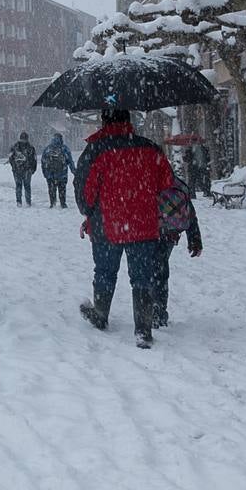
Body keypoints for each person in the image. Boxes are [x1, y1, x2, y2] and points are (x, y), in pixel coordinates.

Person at [75, 109, 174, 349]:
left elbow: (84, 193)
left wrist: (90, 211)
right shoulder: (150, 148)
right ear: (129, 121)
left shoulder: (96, 151)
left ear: (104, 120)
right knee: (142, 277)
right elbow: (167, 184)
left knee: (105, 272)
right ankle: (143, 329)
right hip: (144, 225)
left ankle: (100, 314)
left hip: (106, 225)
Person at [154, 176, 203, 328]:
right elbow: (190, 212)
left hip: (149, 232)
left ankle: (152, 310)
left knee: (148, 272)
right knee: (160, 271)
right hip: (170, 233)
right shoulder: (177, 183)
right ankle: (159, 311)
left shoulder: (146, 180)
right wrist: (194, 238)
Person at [39, 132, 74, 208]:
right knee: (62, 190)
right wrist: (74, 170)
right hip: (62, 174)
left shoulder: (47, 149)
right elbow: (70, 161)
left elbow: (43, 161)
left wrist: (45, 173)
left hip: (50, 174)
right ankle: (63, 203)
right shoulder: (64, 148)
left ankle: (52, 203)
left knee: (52, 190)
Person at [8, 131, 37, 207]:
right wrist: (33, 169)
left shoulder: (15, 146)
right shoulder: (31, 147)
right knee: (27, 186)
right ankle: (28, 202)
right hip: (27, 170)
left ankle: (19, 202)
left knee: (18, 186)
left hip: (17, 170)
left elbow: (10, 158)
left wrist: (14, 166)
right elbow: (34, 159)